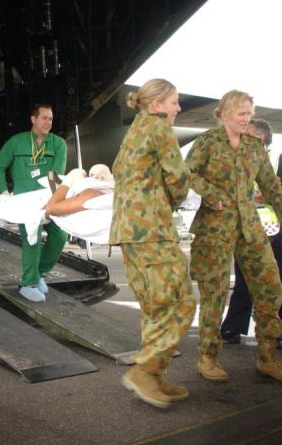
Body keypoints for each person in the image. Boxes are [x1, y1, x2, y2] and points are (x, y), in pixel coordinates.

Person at [186, 90, 282, 385]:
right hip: (215, 226)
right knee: (214, 292)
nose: (247, 119)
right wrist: (210, 194)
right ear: (225, 113)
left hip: (249, 226)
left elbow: (271, 185)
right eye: (241, 114)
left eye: (249, 114)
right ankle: (208, 357)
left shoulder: (254, 147)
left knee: (271, 286)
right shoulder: (207, 143)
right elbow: (188, 175)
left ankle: (268, 356)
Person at [109, 79, 196, 409]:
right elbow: (178, 179)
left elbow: (118, 171)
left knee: (155, 304)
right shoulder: (160, 128)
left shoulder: (133, 131)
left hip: (128, 230)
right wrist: (170, 203)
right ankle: (145, 372)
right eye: (174, 101)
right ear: (158, 103)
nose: (178, 108)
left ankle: (154, 376)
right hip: (152, 230)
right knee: (183, 300)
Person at [220, 119, 282, 349]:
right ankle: (233, 326)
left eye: (247, 135)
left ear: (262, 138)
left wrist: (267, 196)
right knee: (244, 278)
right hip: (248, 229)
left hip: (277, 231)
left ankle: (279, 331)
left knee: (280, 281)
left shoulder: (281, 160)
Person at [0, 104, 68, 303]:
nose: (48, 122)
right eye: (44, 118)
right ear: (33, 119)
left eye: (50, 119)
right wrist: (4, 193)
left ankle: (39, 273)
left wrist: (53, 201)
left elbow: (56, 175)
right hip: (24, 203)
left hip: (48, 200)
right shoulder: (16, 142)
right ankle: (28, 284)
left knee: (60, 235)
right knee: (32, 238)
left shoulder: (58, 144)